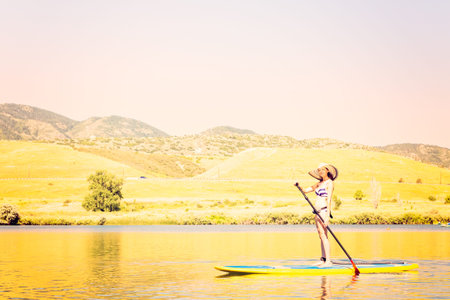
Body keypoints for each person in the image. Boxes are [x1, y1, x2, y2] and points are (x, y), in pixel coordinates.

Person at [299, 163, 338, 267]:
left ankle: (328, 261)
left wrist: (327, 217)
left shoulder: (329, 183)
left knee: (324, 235)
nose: (320, 172)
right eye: (319, 170)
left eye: (322, 170)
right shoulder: (319, 183)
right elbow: (306, 190)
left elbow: (329, 200)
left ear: (327, 171)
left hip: (324, 211)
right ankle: (323, 259)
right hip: (317, 212)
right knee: (320, 235)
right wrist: (298, 186)